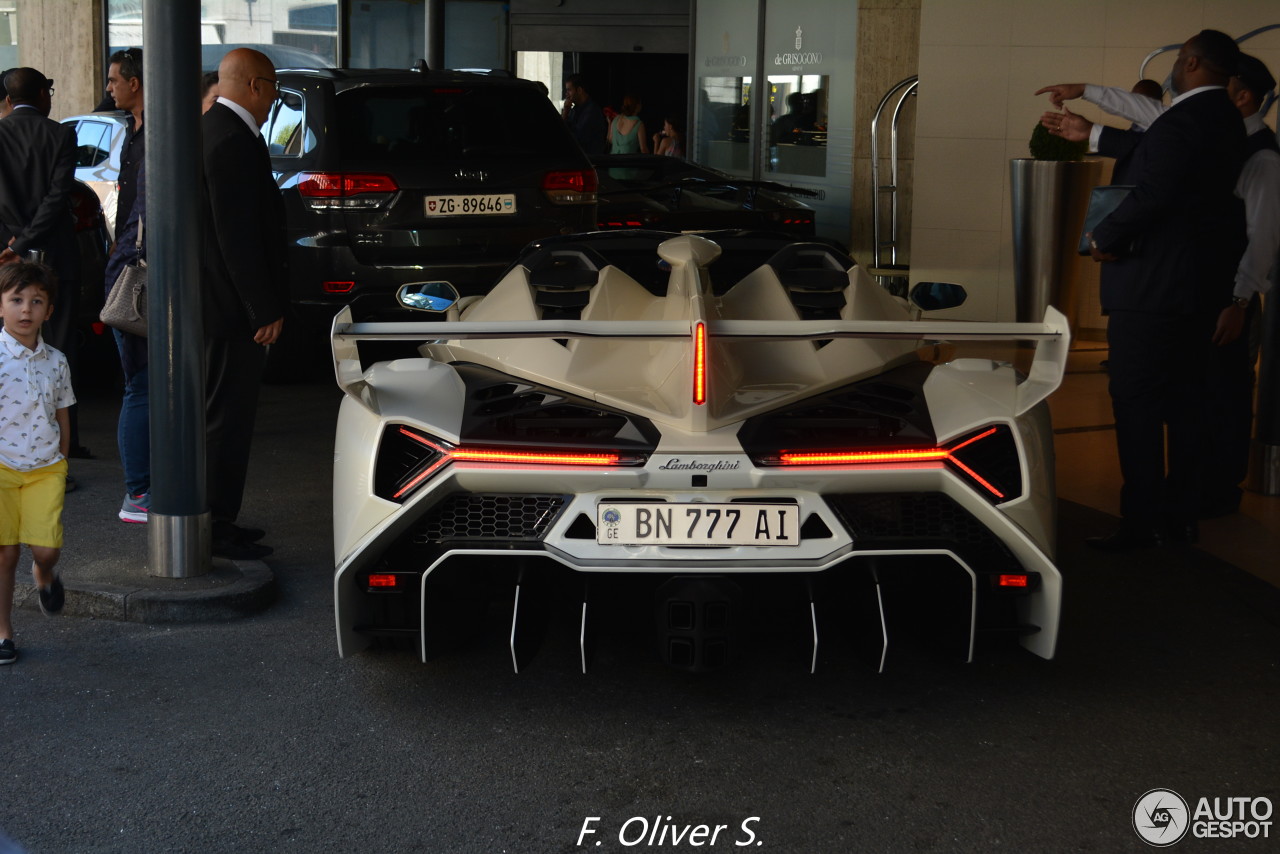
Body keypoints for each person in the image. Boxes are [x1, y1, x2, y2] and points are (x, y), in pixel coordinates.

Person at [1041, 52, 1280, 517]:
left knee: (1220, 399)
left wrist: (1240, 299)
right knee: (1190, 399)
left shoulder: (1260, 156)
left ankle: (1210, 495)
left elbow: (1262, 239)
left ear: (1240, 94)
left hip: (1224, 298)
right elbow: (1154, 118)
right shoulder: (1219, 133)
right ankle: (1184, 502)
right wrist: (1088, 98)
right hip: (1200, 295)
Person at [200, 48, 288, 560]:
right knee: (226, 419)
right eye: (273, 87)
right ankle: (215, 525)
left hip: (219, 303)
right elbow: (237, 237)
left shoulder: (216, 130)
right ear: (254, 86)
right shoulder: (232, 140)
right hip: (230, 309)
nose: (275, 97)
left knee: (223, 416)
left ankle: (219, 519)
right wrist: (263, 308)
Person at [0, 68, 87, 465]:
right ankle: (64, 447)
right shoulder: (60, 134)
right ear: (40, 94)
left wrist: (13, 244)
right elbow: (57, 197)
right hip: (55, 254)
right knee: (60, 349)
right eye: (49, 90)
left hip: (5, 256)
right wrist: (29, 239)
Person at [0, 261, 74, 665]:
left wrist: (62, 455)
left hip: (46, 467)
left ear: (48, 310)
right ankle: (3, 633)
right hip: (1, 468)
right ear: (0, 306)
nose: (25, 310)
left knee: (46, 549)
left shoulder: (57, 360)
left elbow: (63, 411)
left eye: (36, 301)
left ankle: (44, 575)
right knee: (3, 553)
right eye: (16, 300)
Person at [561, 74, 607, 155]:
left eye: (569, 90)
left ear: (579, 90)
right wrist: (565, 112)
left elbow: (575, 139)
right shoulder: (574, 110)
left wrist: (565, 112)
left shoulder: (592, 111)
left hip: (590, 161)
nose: (567, 94)